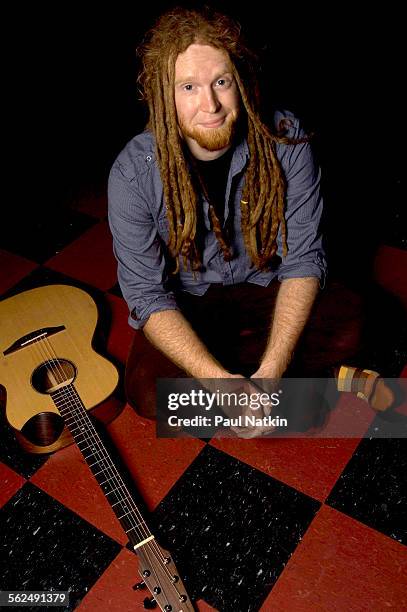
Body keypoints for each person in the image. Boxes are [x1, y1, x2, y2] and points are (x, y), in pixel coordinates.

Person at [108, 6, 393, 436]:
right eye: (188, 87)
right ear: (163, 97)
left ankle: (268, 380)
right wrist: (220, 384)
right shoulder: (132, 173)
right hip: (192, 301)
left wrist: (273, 371)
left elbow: (303, 259)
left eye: (220, 81)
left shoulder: (285, 137)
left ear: (239, 80)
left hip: (264, 285)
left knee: (364, 321)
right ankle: (294, 393)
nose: (211, 105)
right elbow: (146, 296)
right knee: (149, 394)